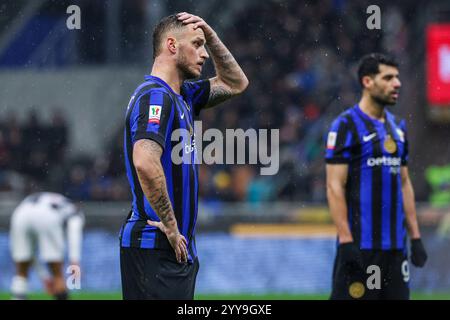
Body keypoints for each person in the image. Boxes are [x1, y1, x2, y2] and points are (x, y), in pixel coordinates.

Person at [119, 12, 248, 299]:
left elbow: (236, 83)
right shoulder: (155, 96)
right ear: (172, 46)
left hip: (173, 248)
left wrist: (211, 35)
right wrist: (170, 223)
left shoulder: (183, 95)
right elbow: (145, 160)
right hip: (155, 245)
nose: (204, 54)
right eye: (197, 44)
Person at [325, 53, 427, 300]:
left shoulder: (399, 128)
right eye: (389, 77)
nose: (397, 83)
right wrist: (347, 241)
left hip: (395, 250)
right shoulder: (345, 126)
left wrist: (415, 237)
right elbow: (334, 186)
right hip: (360, 248)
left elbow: (403, 182)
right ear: (367, 82)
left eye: (398, 78)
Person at [9, 192, 84, 300]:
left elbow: (30, 255)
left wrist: (44, 277)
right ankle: (61, 295)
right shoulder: (75, 211)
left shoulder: (51, 198)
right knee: (57, 271)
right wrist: (74, 261)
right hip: (48, 215)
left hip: (20, 212)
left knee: (22, 267)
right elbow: (74, 232)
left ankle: (18, 297)